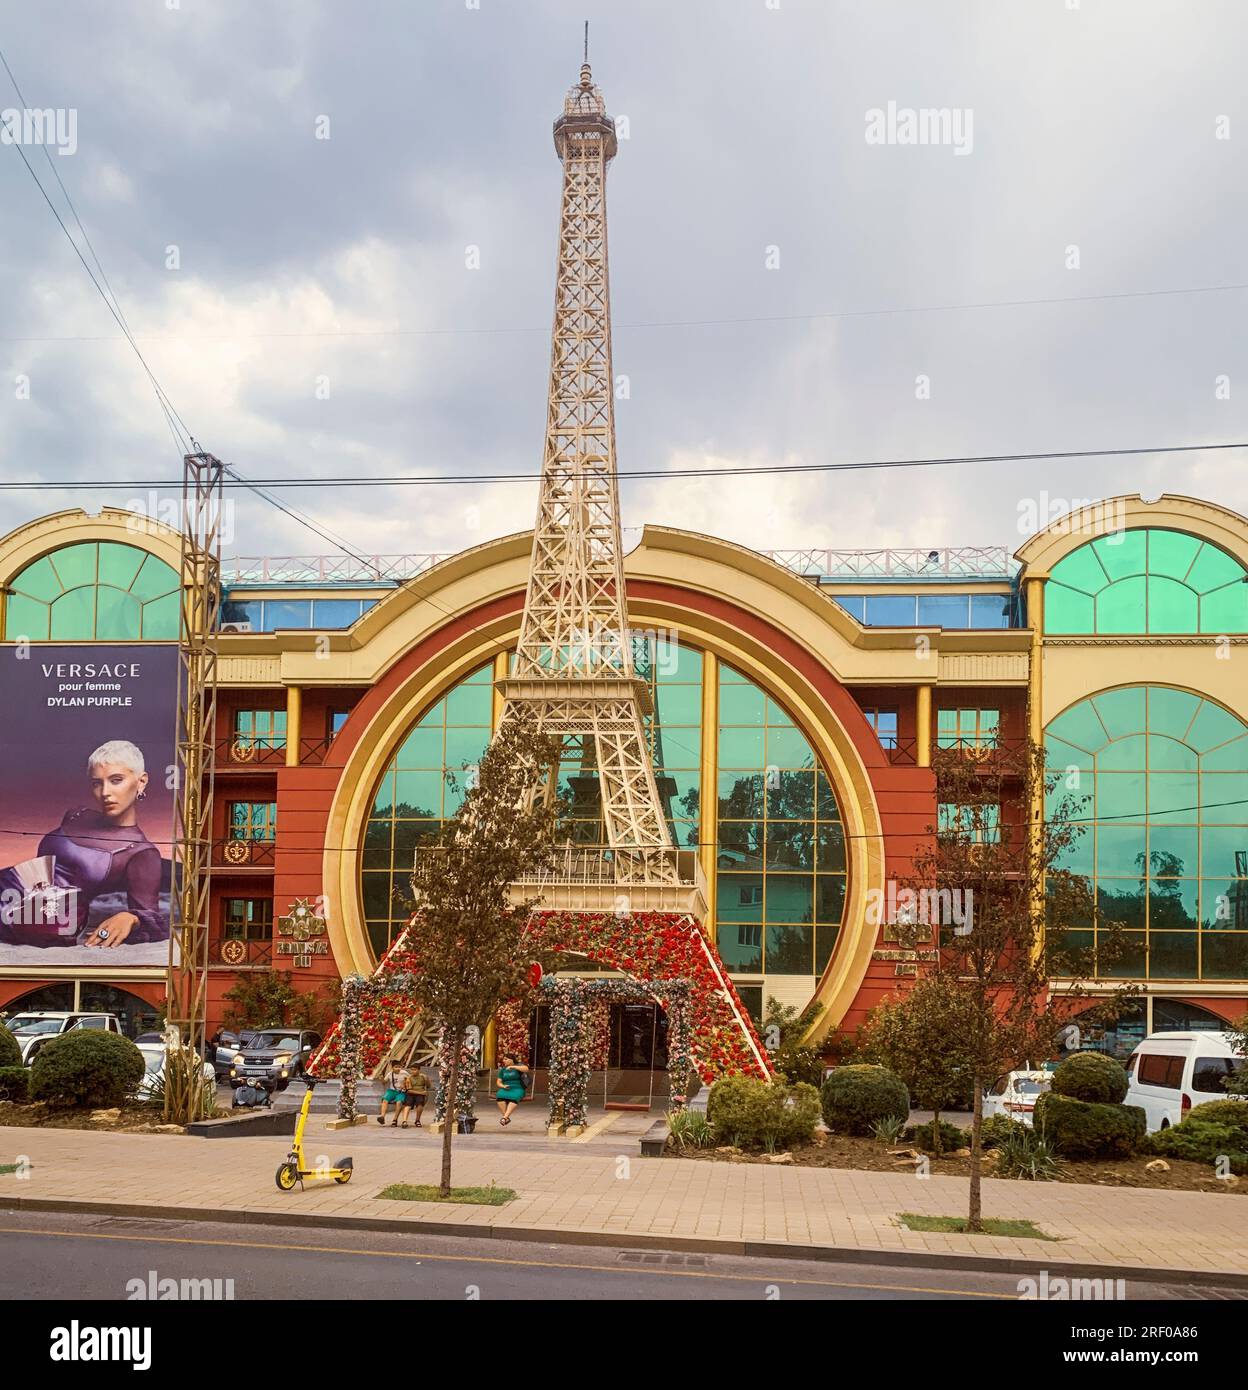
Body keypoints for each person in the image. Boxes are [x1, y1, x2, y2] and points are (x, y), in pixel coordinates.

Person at [0, 739, 167, 949]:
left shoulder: (142, 852)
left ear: (141, 782)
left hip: (42, 919)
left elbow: (152, 918)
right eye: (97, 783)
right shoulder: (77, 815)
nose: (105, 792)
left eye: (116, 780)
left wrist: (130, 917)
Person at [495, 1053, 529, 1126]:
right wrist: (503, 1086)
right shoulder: (503, 1070)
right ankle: (505, 1118)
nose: (504, 1061)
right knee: (499, 1095)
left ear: (511, 1060)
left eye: (506, 1059)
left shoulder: (518, 1066)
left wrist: (513, 1067)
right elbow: (498, 1082)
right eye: (503, 1059)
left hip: (518, 1088)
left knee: (514, 1097)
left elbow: (526, 1069)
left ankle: (504, 1118)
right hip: (506, 1087)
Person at [378, 1061, 407, 1126]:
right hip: (392, 1090)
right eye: (396, 1067)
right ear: (392, 1068)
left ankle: (395, 1119)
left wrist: (405, 1084)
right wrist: (382, 1079)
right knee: (385, 1100)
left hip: (401, 1091)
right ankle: (382, 1116)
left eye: (399, 1067)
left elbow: (410, 1080)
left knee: (399, 1102)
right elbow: (384, 1082)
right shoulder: (390, 1074)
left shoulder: (404, 1073)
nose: (398, 1068)